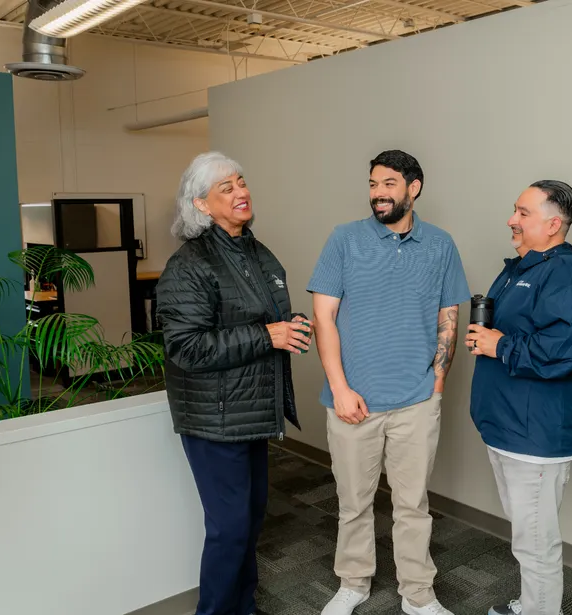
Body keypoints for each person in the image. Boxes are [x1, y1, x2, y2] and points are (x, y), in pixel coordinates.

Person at [308, 150, 471, 615]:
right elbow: (324, 316)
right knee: (353, 503)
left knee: (413, 506)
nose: (378, 193)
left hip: (416, 401)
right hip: (352, 401)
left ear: (413, 188)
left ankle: (418, 595)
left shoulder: (441, 245)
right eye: (373, 184)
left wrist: (436, 385)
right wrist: (340, 388)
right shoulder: (344, 240)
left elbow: (449, 316)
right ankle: (353, 583)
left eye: (389, 183)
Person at [156, 151, 314, 615]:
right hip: (214, 417)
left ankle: (242, 608)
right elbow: (186, 347)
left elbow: (264, 319)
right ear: (201, 205)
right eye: (226, 188)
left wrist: (290, 325)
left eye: (240, 181)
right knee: (229, 529)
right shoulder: (189, 265)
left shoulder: (255, 251)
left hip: (251, 411)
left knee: (248, 520)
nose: (241, 192)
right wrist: (269, 335)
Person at [465, 181, 572, 615]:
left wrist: (499, 345)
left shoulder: (569, 273)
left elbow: (567, 349)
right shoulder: (521, 268)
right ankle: (532, 606)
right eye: (515, 211)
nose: (512, 219)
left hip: (536, 435)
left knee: (536, 542)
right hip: (506, 427)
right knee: (527, 535)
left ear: (553, 223)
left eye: (523, 213)